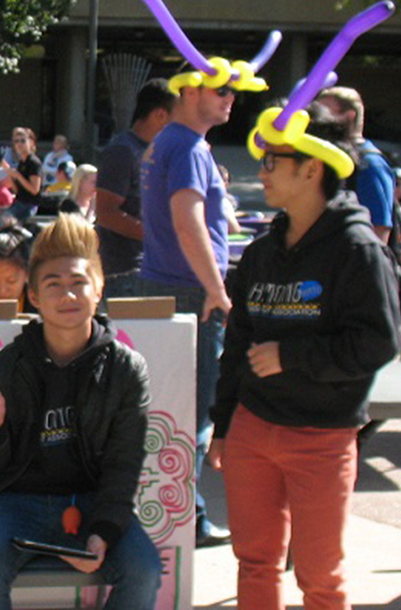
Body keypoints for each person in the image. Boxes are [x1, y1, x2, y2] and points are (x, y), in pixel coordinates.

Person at [209, 102, 401, 610]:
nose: (262, 172)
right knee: (254, 563)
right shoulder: (260, 252)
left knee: (319, 579)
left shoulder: (358, 250)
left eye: (273, 162)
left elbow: (379, 342)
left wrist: (293, 356)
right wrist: (224, 423)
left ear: (311, 168)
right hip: (252, 428)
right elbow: (237, 345)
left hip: (322, 435)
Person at [0, 213, 162, 610]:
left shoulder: (125, 368)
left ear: (99, 289)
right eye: (53, 285)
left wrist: (102, 532)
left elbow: (124, 465)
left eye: (78, 283)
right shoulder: (3, 366)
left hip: (90, 500)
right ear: (33, 296)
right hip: (12, 500)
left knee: (144, 570)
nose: (67, 296)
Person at [137, 70, 238, 548]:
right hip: (192, 293)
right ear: (190, 91)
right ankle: (189, 519)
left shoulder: (168, 143)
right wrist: (217, 289)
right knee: (193, 414)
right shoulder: (189, 148)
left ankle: (173, 513)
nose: (231, 98)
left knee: (168, 409)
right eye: (222, 89)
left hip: (164, 285)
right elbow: (187, 221)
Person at [96, 78, 175, 295]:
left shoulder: (161, 150)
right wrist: (158, 236)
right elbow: (105, 212)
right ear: (160, 114)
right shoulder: (122, 151)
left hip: (154, 267)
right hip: (125, 272)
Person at [317, 87, 394, 243]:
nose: (319, 120)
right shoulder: (329, 158)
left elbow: (379, 227)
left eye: (325, 113)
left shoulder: (370, 164)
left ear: (349, 116)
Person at [3, 127, 44, 223]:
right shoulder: (21, 162)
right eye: (16, 141)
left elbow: (34, 190)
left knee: (0, 227)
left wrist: (17, 176)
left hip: (28, 206)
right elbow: (18, 191)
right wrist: (10, 175)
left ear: (31, 143)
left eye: (23, 141)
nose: (19, 144)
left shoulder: (34, 163)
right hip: (18, 203)